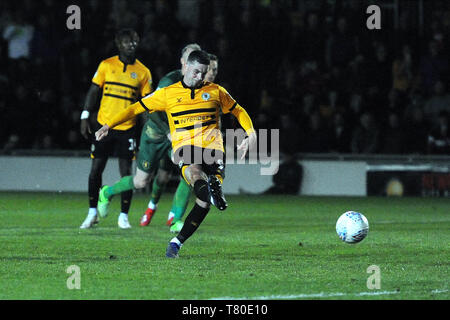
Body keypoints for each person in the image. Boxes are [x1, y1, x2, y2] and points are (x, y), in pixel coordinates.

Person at [95, 50, 257, 258]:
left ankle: (177, 240)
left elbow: (239, 110)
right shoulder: (167, 93)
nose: (200, 77)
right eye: (197, 72)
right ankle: (210, 190)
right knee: (194, 172)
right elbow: (135, 108)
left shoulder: (216, 91)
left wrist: (250, 133)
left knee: (203, 201)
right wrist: (108, 125)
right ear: (186, 67)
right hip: (185, 147)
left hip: (212, 147)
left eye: (204, 73)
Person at [96, 44, 207, 234]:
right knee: (140, 182)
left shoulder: (199, 86)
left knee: (189, 169)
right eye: (190, 60)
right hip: (154, 136)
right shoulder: (168, 82)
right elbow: (148, 110)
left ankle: (176, 220)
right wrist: (167, 132)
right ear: (183, 63)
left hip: (176, 139)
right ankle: (106, 193)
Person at [79, 29, 152, 229]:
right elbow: (94, 91)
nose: (132, 45)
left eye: (135, 41)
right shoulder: (106, 65)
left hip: (127, 128)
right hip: (104, 126)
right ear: (118, 44)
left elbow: (146, 104)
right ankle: (92, 212)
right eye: (128, 42)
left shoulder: (143, 72)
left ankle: (123, 216)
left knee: (126, 171)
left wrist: (148, 129)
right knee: (96, 170)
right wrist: (85, 115)